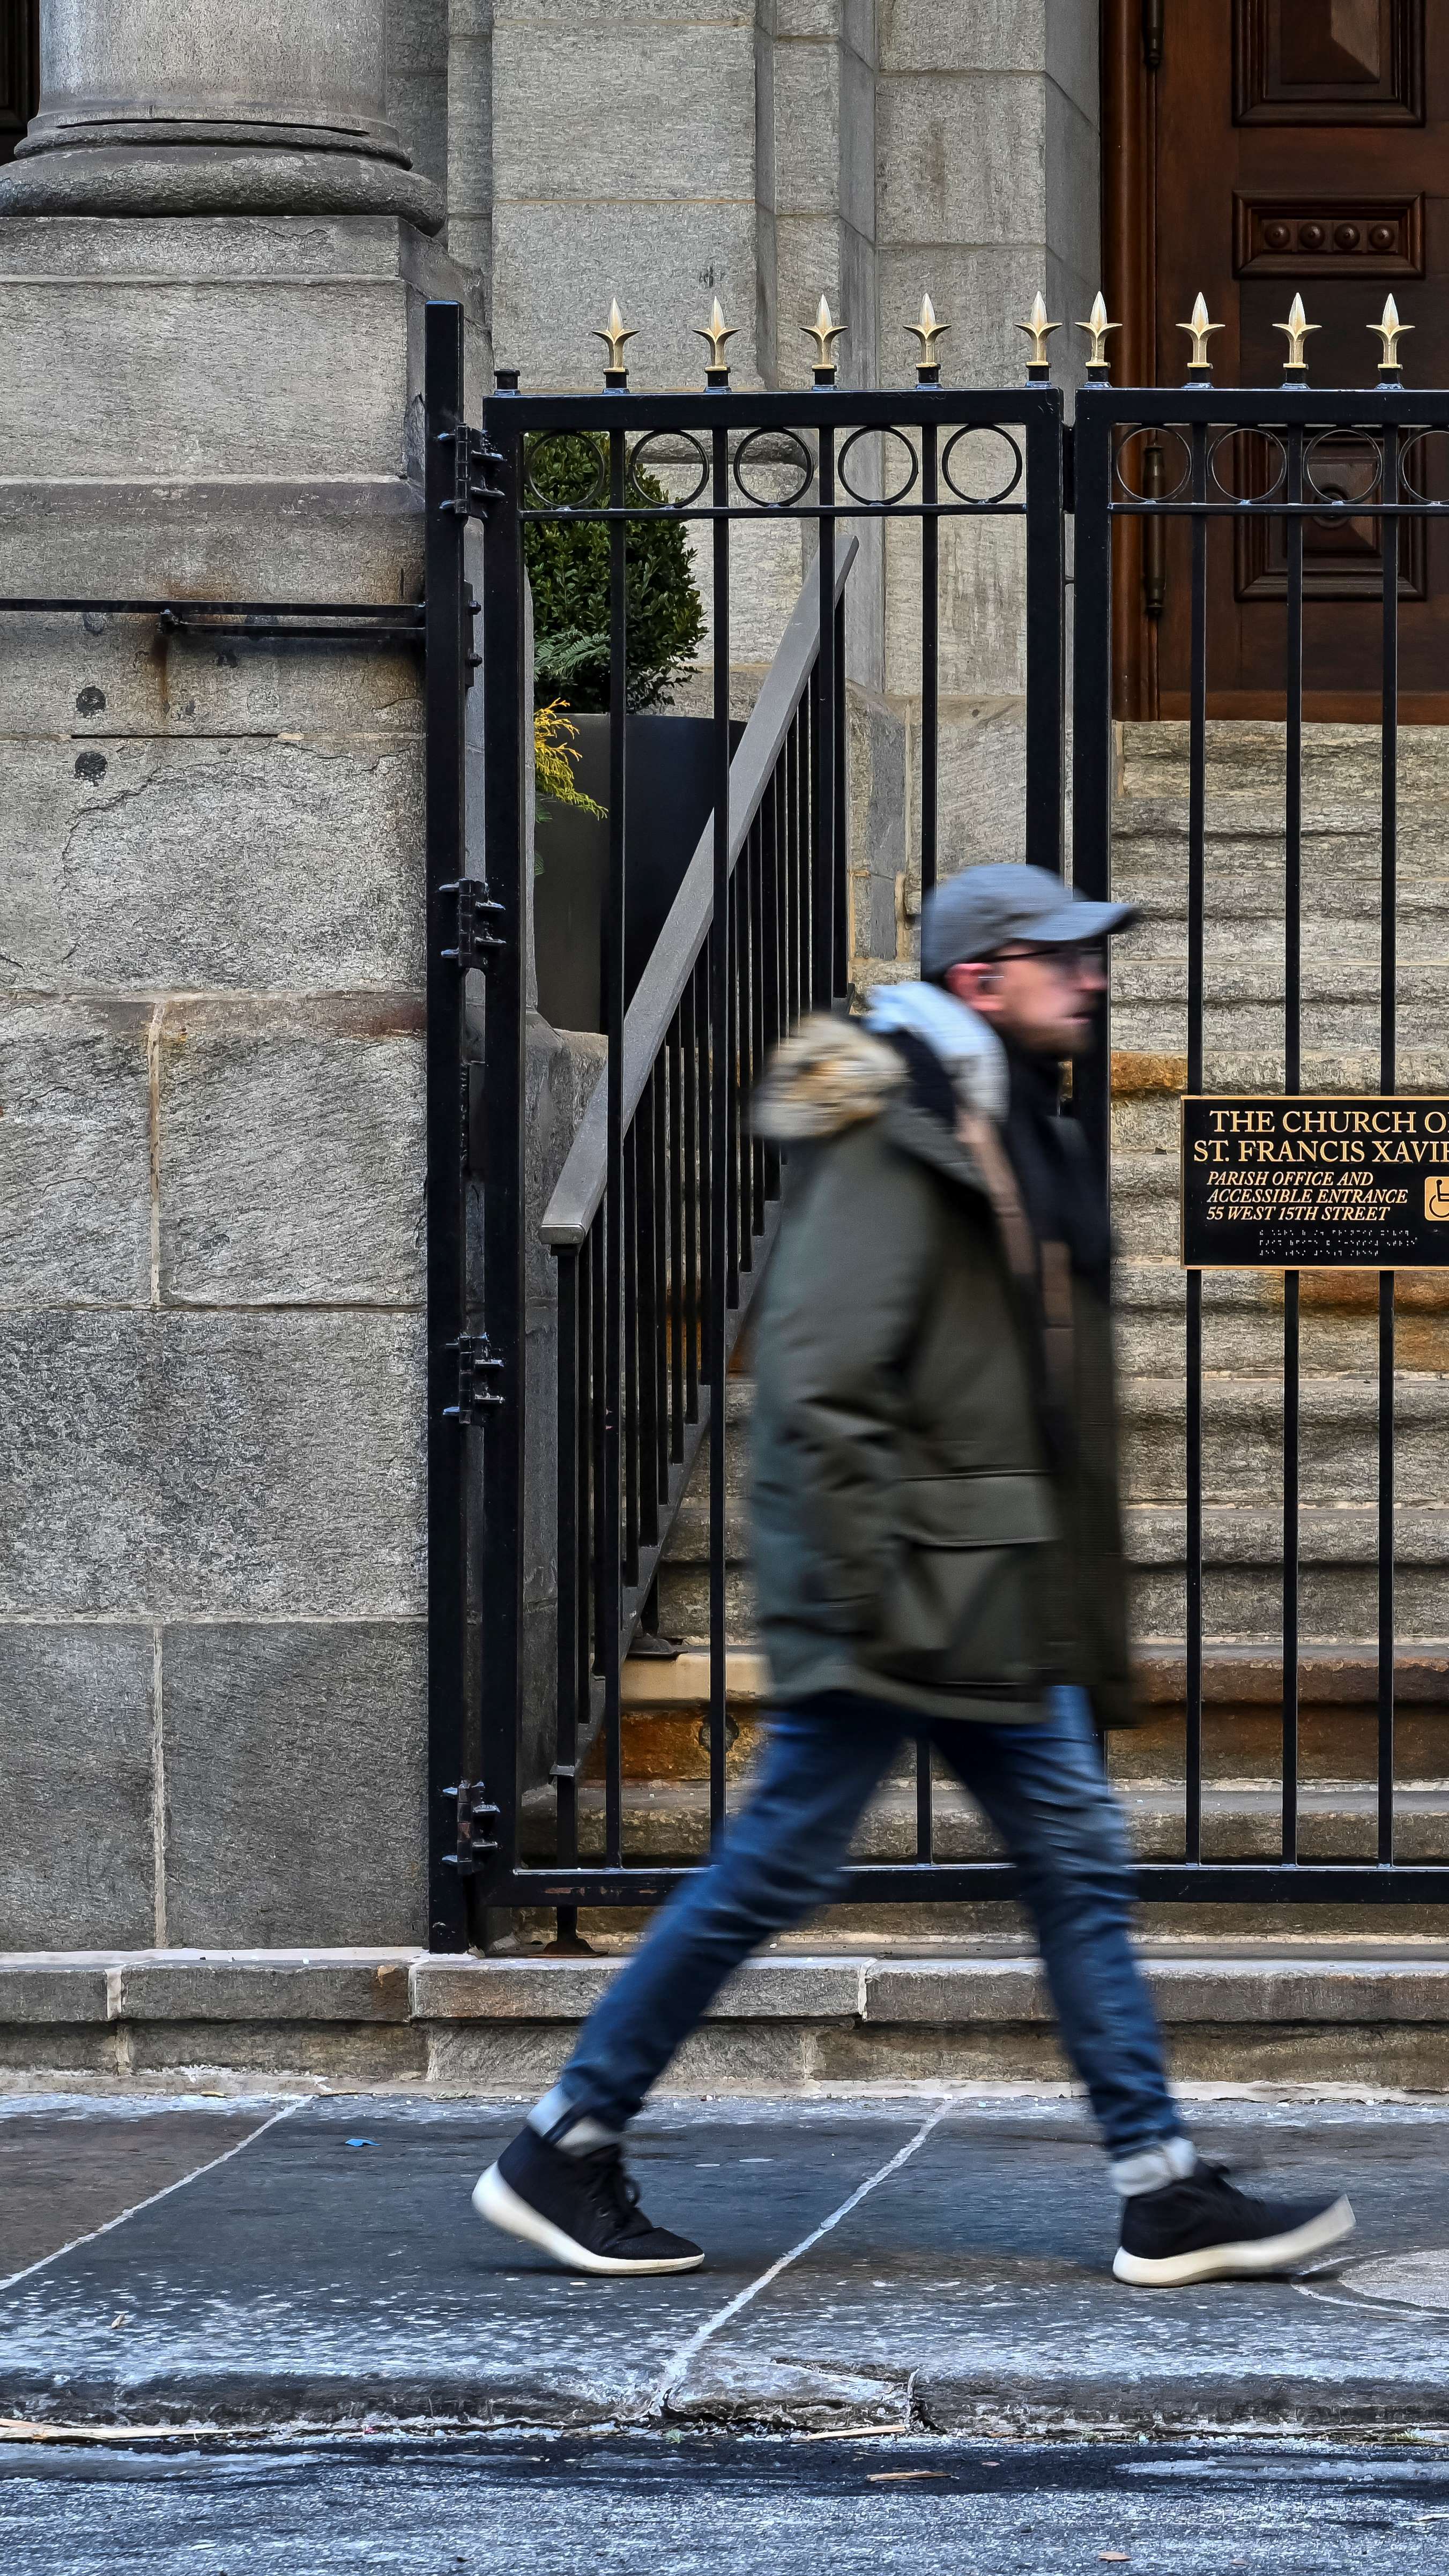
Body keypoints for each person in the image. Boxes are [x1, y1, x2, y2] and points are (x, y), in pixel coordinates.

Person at [472, 864, 1356, 2289]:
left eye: (1089, 956)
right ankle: (566, 2139)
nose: (1092, 977)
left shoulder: (1000, 1116)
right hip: (918, 1598)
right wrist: (874, 1597)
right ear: (977, 978)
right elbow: (819, 1383)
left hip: (978, 1588)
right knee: (802, 1868)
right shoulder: (899, 1131)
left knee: (1051, 1864)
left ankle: (1158, 2184)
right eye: (1059, 957)